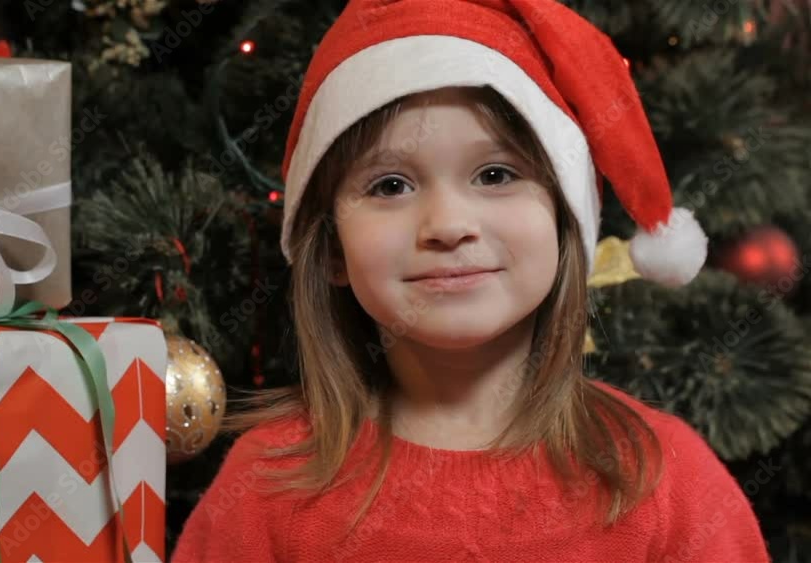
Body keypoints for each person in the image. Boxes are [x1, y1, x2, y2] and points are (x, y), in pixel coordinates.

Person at [172, 0, 771, 561]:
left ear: (565, 221)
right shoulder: (269, 482)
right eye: (390, 186)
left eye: (494, 173)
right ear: (329, 246)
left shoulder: (666, 478)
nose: (449, 226)